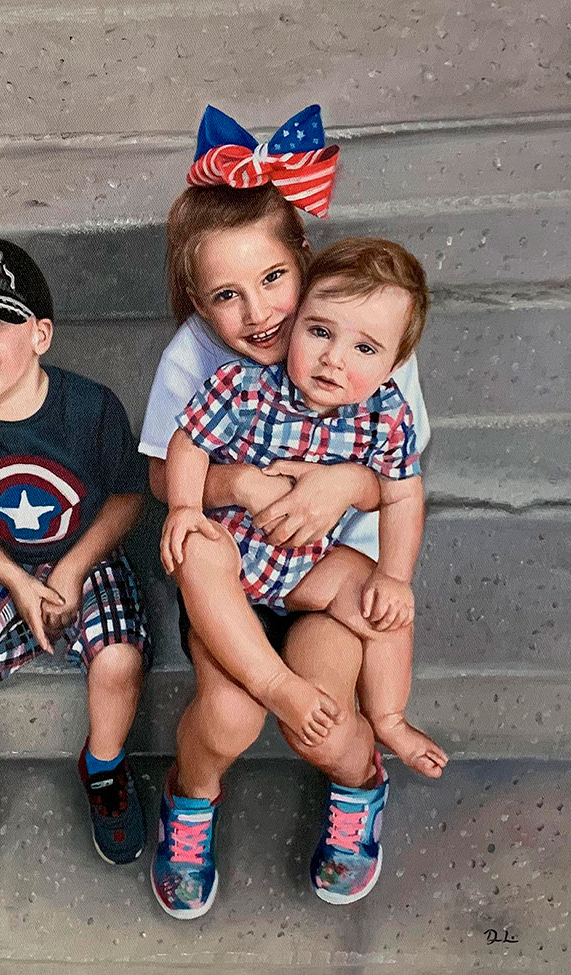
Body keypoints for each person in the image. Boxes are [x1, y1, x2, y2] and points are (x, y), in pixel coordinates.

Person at [140, 106, 432, 917]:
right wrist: (234, 490)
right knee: (229, 716)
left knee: (325, 718)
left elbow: (399, 478)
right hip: (232, 570)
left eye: (274, 281)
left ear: (305, 258)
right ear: (198, 303)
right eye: (227, 296)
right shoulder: (207, 366)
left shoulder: (363, 332)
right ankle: (190, 795)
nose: (260, 314)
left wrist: (340, 484)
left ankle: (361, 779)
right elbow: (173, 471)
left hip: (321, 569)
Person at [162, 236, 448, 777]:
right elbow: (189, 441)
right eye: (319, 331)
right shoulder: (243, 386)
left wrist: (394, 574)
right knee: (197, 551)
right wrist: (183, 507)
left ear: (395, 362)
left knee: (381, 602)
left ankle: (387, 719)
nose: (333, 359)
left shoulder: (386, 414)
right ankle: (274, 683)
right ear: (297, 321)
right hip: (235, 558)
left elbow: (402, 492)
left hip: (309, 562)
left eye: (364, 349)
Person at [0, 237, 151, 868]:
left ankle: (103, 769)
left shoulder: (89, 408)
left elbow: (128, 497)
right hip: (2, 561)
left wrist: (71, 568)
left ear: (40, 334)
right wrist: (15, 579)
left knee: (119, 660)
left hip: (87, 557)